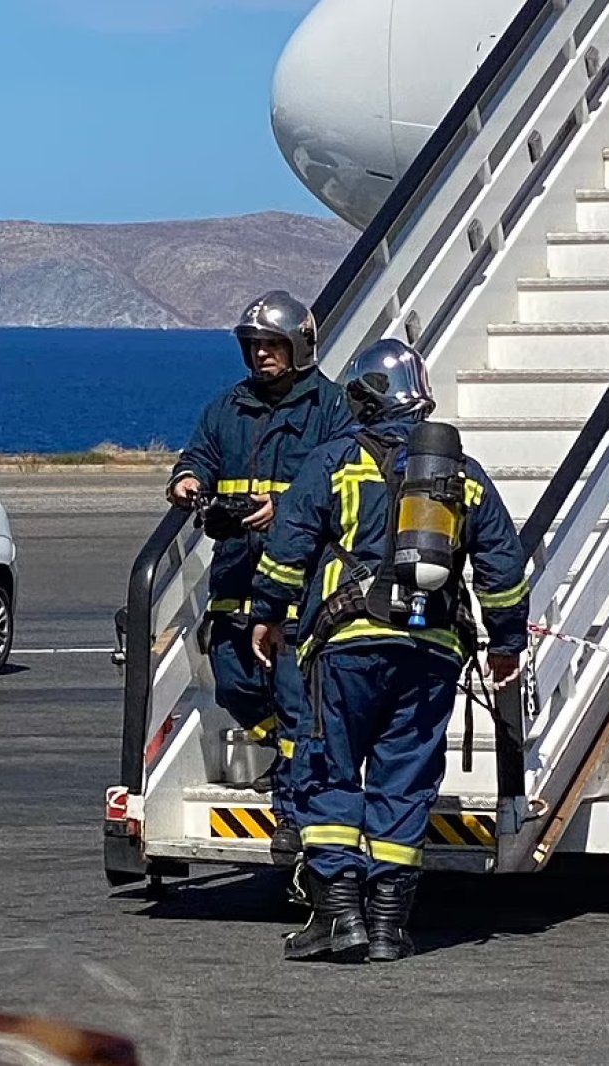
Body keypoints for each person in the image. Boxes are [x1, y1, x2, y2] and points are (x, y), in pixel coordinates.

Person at [250, 338, 529, 962]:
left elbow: (287, 550)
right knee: (405, 781)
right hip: (432, 650)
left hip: (346, 649)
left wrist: (266, 616)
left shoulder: (332, 463)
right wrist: (506, 641)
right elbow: (503, 567)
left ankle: (339, 917)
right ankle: (386, 927)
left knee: (330, 773)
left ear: (362, 399)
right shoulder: (460, 474)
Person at [167, 290, 352, 859]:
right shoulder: (229, 408)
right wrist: (186, 481)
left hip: (302, 575)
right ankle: (293, 754)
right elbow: (198, 454)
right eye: (254, 346)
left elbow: (347, 476)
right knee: (234, 678)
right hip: (237, 572)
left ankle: (294, 814)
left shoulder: (330, 407)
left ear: (298, 346)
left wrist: (293, 507)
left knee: (296, 693)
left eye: (272, 344)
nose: (263, 355)